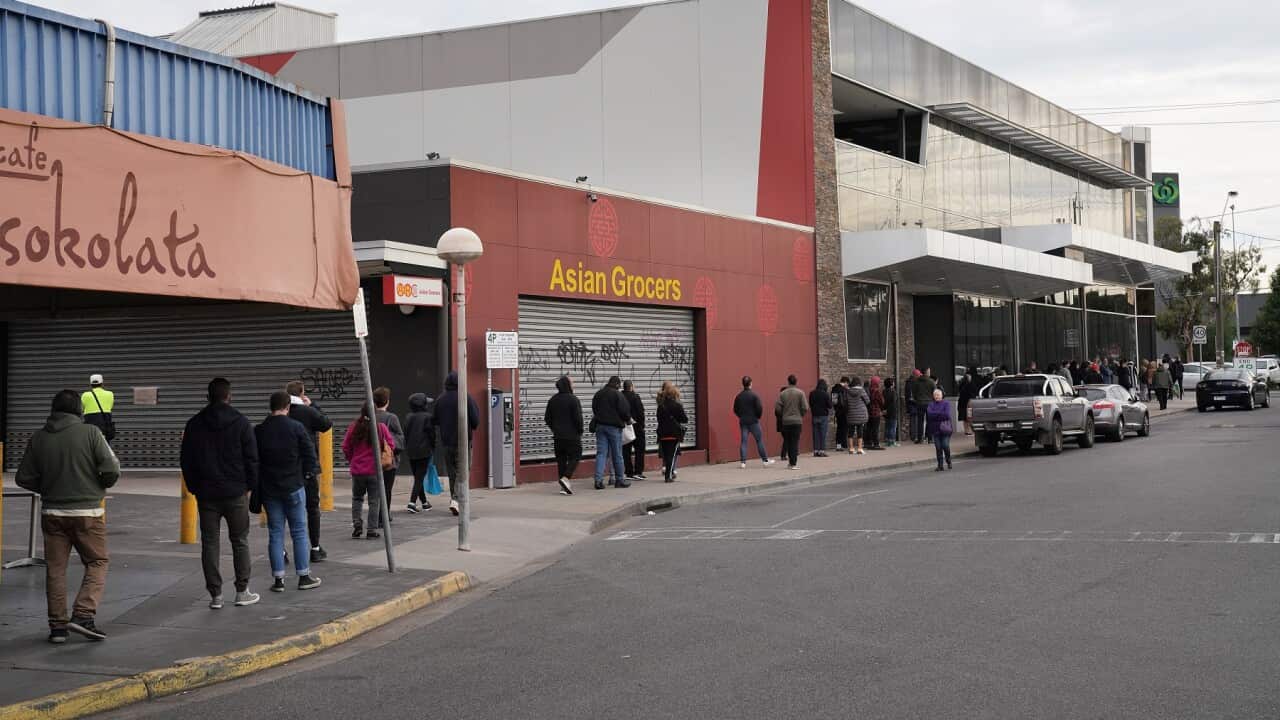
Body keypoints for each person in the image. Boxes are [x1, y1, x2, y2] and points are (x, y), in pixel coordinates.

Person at [16, 390, 120, 644]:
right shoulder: (91, 433)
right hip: (87, 513)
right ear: (79, 411)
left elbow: (23, 477)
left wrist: (49, 488)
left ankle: (58, 628)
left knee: (56, 568)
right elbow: (111, 469)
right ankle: (83, 614)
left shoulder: (38, 438)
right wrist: (97, 487)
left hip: (52, 513)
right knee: (97, 562)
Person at [180, 378, 260, 611]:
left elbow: (186, 460)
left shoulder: (194, 424)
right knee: (240, 541)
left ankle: (215, 595)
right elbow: (252, 458)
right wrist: (249, 486)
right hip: (235, 492)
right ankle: (242, 591)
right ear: (229, 396)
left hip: (206, 494)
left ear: (208, 397)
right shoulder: (241, 423)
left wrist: (195, 487)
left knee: (210, 543)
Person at [255, 391, 322, 593]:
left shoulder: (259, 430)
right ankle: (303, 576)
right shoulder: (296, 427)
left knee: (275, 533)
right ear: (287, 407)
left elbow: (253, 459)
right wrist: (308, 476)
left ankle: (278, 580)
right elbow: (310, 456)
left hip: (270, 488)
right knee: (299, 532)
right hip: (294, 486)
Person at [286, 380, 333, 564]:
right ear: (302, 393)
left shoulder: (281, 412)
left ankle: (282, 551)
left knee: (283, 511)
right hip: (307, 468)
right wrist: (313, 405)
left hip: (286, 469)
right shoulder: (307, 411)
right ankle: (314, 547)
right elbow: (326, 424)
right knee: (312, 508)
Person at [342, 402, 396, 538]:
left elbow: (346, 447)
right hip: (374, 470)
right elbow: (391, 445)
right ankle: (371, 529)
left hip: (357, 470)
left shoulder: (354, 427)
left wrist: (352, 460)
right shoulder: (380, 428)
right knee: (374, 500)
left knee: (357, 498)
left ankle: (357, 524)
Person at [435, 371, 480, 515]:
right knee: (463, 472)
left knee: (452, 473)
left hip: (447, 442)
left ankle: (456, 502)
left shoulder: (440, 400)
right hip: (463, 441)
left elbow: (435, 419)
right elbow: (475, 420)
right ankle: (456, 500)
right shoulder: (465, 398)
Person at [590, 376, 632, 489]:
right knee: (617, 454)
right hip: (613, 428)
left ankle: (598, 481)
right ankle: (619, 480)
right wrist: (627, 420)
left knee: (601, 454)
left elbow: (594, 408)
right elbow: (625, 411)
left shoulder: (598, 394)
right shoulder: (618, 395)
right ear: (617, 384)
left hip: (600, 426)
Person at [544, 375, 583, 495]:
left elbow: (547, 418)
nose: (573, 385)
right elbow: (578, 418)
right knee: (576, 455)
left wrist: (555, 429)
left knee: (561, 460)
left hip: (558, 436)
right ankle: (566, 478)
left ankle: (564, 487)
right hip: (572, 436)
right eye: (571, 383)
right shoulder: (573, 399)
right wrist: (580, 430)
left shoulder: (553, 400)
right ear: (567, 385)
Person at [373, 387, 404, 526]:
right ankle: (383, 517)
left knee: (374, 490)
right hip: (387, 460)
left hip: (371, 459)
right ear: (387, 402)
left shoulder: (369, 416)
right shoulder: (392, 418)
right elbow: (400, 439)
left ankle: (374, 517)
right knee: (386, 489)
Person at [402, 392, 436, 513]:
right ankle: (412, 502)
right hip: (424, 451)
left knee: (418, 477)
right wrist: (433, 447)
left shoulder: (408, 417)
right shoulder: (428, 417)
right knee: (419, 477)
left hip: (411, 451)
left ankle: (425, 503)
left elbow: (405, 434)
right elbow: (432, 435)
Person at [734, 376, 772, 467]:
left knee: (744, 441)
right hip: (754, 421)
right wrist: (757, 417)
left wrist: (741, 416)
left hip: (743, 421)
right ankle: (765, 461)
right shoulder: (754, 395)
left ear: (743, 384)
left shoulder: (739, 396)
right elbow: (759, 408)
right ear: (751, 383)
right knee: (759, 440)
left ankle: (743, 462)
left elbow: (735, 409)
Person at [654, 381, 688, 482]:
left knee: (666, 455)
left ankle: (667, 473)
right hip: (674, 434)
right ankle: (668, 476)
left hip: (662, 433)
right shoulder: (677, 405)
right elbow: (684, 419)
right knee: (671, 456)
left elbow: (658, 419)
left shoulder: (661, 406)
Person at [775, 375, 809, 469]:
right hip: (797, 421)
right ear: (796, 382)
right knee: (794, 442)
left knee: (789, 442)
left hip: (786, 421)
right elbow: (805, 407)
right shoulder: (800, 393)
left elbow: (777, 408)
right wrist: (800, 415)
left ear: (788, 382)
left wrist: (784, 414)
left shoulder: (783, 394)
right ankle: (793, 463)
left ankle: (790, 462)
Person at [621, 379, 647, 481]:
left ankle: (628, 472)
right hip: (636, 427)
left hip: (625, 427)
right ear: (631, 387)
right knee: (639, 449)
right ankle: (638, 472)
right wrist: (642, 425)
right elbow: (640, 413)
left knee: (626, 450)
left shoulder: (620, 397)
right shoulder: (635, 397)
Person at [81, 374, 116, 443]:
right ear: (102, 383)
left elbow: (82, 408)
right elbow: (110, 407)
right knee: (104, 448)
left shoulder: (85, 395)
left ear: (91, 384)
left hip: (90, 428)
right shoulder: (110, 394)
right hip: (104, 427)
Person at [926, 388, 955, 471]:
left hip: (945, 428)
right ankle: (940, 465)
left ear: (942, 395)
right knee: (938, 447)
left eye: (938, 395)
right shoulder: (931, 404)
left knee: (945, 445)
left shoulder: (946, 403)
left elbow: (946, 415)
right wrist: (940, 413)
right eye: (935, 395)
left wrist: (936, 414)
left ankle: (948, 461)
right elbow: (929, 415)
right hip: (935, 429)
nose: (937, 396)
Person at [844, 376, 870, 454]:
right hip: (861, 414)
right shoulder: (861, 390)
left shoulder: (848, 391)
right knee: (860, 430)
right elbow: (868, 401)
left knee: (851, 431)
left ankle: (851, 449)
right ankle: (859, 448)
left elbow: (845, 402)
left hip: (851, 413)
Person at [911, 369, 935, 444]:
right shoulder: (931, 381)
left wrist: (917, 399)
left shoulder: (916, 381)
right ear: (927, 372)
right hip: (929, 403)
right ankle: (930, 438)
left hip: (920, 403)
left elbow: (914, 392)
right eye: (929, 371)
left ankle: (919, 439)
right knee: (930, 421)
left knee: (920, 421)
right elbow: (934, 392)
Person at [809, 379, 832, 457]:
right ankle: (822, 450)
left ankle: (816, 451)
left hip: (815, 415)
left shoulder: (812, 393)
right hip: (823, 416)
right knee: (823, 433)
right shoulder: (825, 394)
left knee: (815, 434)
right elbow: (830, 405)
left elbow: (811, 404)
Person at [865, 377, 884, 450]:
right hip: (876, 412)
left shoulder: (868, 390)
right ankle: (876, 444)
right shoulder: (877, 391)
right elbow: (882, 402)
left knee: (869, 428)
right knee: (875, 429)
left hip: (869, 412)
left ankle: (868, 443)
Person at [958, 370, 978, 436]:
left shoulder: (961, 384)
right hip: (968, 403)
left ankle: (966, 430)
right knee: (969, 417)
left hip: (962, 403)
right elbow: (974, 393)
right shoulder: (971, 384)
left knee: (965, 418)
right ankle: (969, 431)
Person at [832, 377, 849, 451]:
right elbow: (847, 401)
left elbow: (834, 402)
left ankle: (838, 445)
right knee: (844, 429)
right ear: (845, 382)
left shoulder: (834, 389)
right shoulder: (845, 390)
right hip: (844, 412)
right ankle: (843, 444)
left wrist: (836, 409)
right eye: (847, 383)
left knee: (839, 428)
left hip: (838, 412)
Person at [883, 377, 900, 447]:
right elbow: (894, 402)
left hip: (886, 410)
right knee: (893, 427)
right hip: (893, 411)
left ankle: (887, 440)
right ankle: (892, 441)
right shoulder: (893, 392)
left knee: (887, 426)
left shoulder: (884, 391)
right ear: (891, 384)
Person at [902, 372, 918, 443]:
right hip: (913, 404)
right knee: (914, 420)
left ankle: (913, 435)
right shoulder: (913, 383)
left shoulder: (908, 382)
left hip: (910, 404)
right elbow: (911, 395)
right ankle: (914, 436)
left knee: (913, 420)